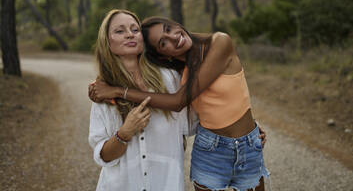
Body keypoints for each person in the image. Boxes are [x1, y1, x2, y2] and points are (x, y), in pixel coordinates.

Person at [90, 16, 270, 191]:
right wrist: (121, 125)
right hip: (209, 147)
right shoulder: (179, 72)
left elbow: (180, 103)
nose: (173, 37)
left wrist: (246, 127)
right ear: (163, 55)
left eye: (168, 29)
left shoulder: (216, 45)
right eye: (162, 43)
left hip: (245, 144)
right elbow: (207, 107)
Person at [88, 9, 197, 191]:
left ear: (142, 39)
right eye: (119, 31)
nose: (129, 34)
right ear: (107, 42)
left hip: (166, 184)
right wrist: (124, 133)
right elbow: (104, 156)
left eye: (134, 29)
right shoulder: (103, 92)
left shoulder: (170, 78)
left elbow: (198, 120)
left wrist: (245, 128)